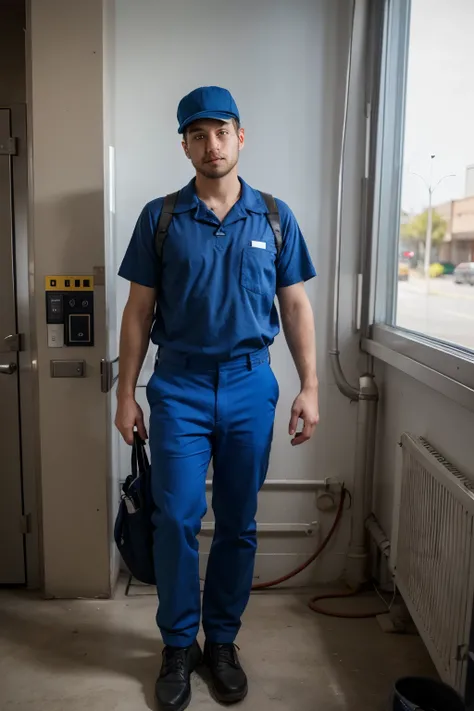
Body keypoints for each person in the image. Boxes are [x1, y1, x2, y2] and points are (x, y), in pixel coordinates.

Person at [115, 85, 319, 711]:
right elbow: (139, 311)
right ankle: (179, 646)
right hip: (177, 386)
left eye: (221, 131)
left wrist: (310, 386)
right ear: (184, 144)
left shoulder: (275, 216)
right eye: (198, 135)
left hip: (250, 383)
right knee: (174, 519)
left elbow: (294, 305)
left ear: (240, 136)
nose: (212, 145)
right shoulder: (162, 216)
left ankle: (222, 642)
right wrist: (126, 393)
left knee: (238, 521)